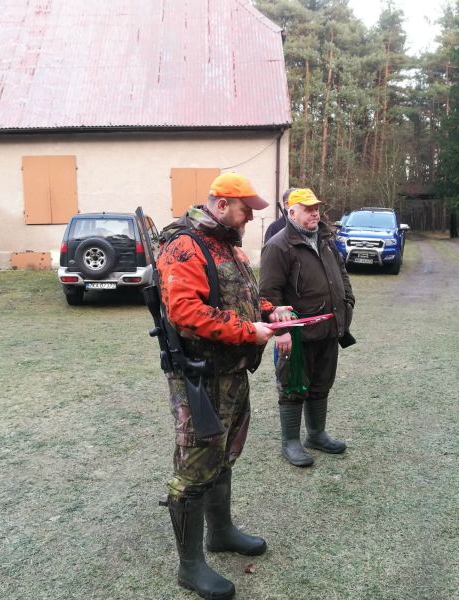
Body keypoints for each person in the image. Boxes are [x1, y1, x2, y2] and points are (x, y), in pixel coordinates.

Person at [156, 172, 293, 599]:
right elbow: (185, 312)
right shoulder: (184, 245)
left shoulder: (226, 245)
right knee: (194, 469)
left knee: (223, 456)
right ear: (220, 205)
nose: (250, 217)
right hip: (200, 378)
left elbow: (239, 296)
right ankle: (190, 566)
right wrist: (248, 331)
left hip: (231, 372)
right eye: (245, 209)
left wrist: (269, 311)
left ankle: (220, 532)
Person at [259, 188, 355, 467]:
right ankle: (290, 442)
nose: (315, 213)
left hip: (329, 328)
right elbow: (268, 295)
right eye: (308, 208)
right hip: (298, 335)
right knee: (293, 386)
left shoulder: (325, 239)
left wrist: (347, 301)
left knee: (321, 383)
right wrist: (281, 331)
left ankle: (316, 435)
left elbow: (341, 273)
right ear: (291, 212)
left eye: (316, 208)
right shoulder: (278, 246)